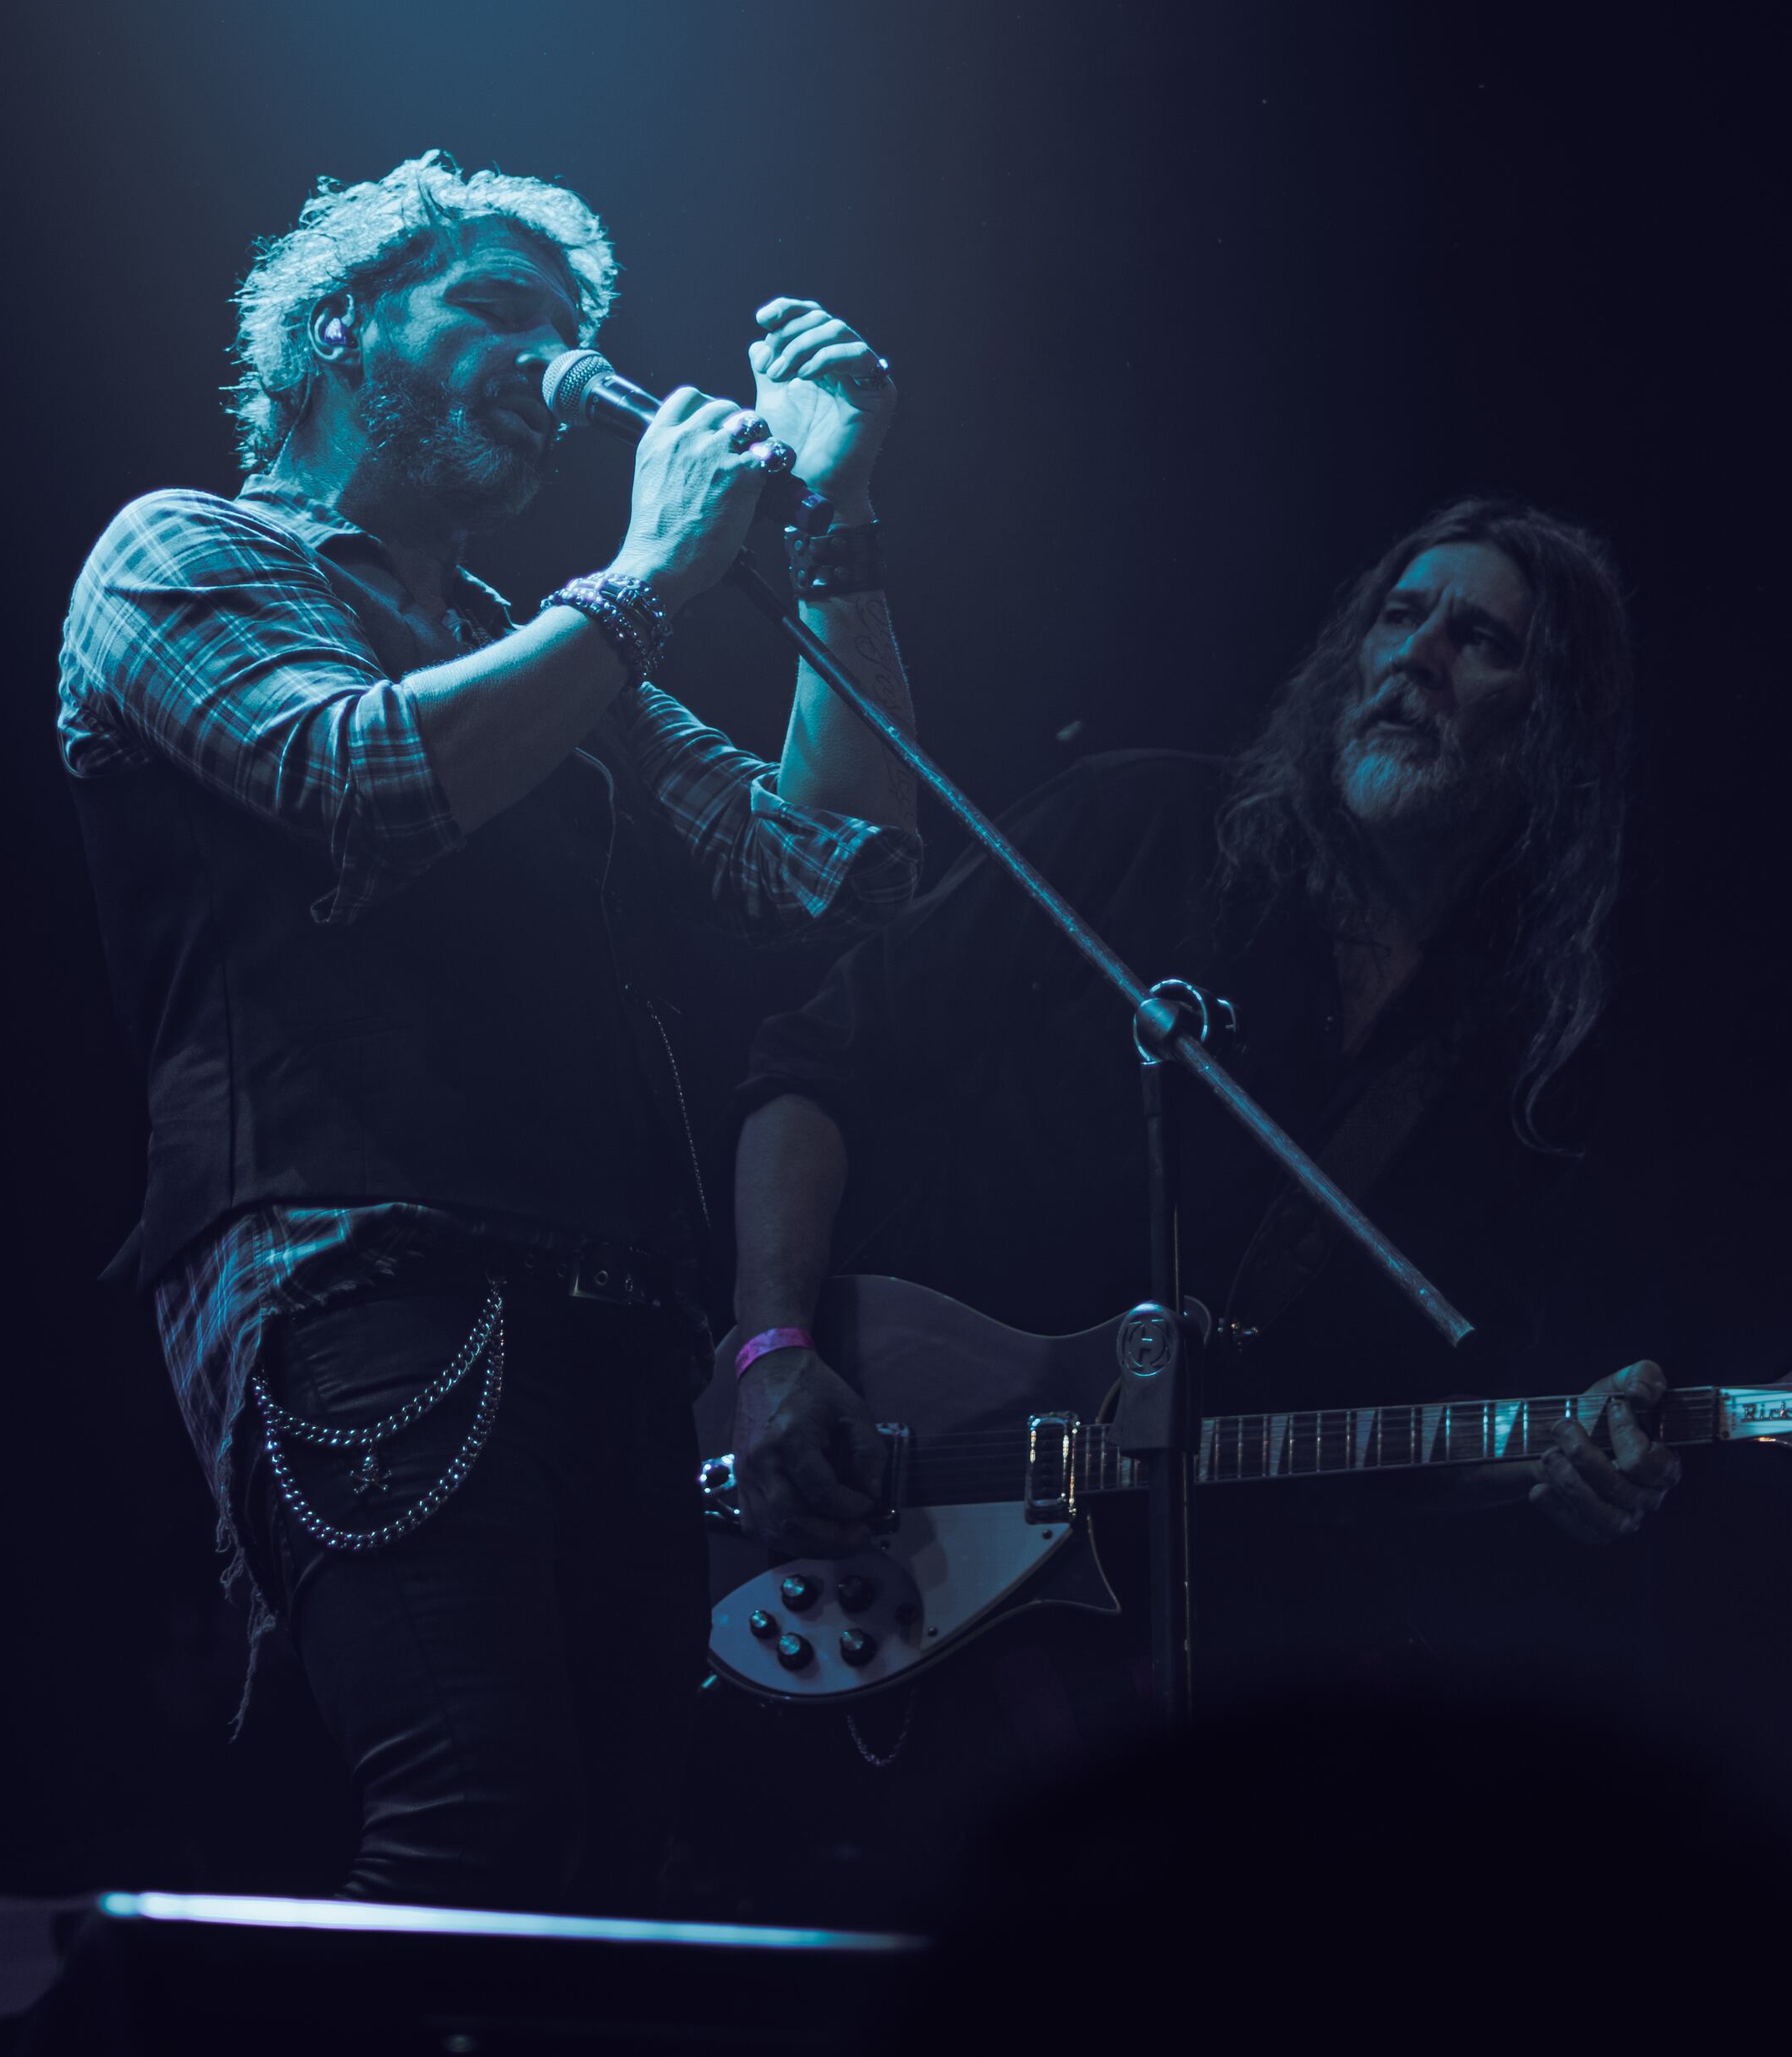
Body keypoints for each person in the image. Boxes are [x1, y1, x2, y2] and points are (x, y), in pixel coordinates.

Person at [58, 154, 923, 1906]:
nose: (557, 372)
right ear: (332, 328)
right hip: (353, 1268)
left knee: (604, 1868)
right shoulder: (186, 549)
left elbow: (831, 865)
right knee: (481, 1805)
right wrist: (654, 572)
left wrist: (829, 532)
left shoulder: (556, 650)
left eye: (576, 333)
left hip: (602, 1312)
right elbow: (357, 777)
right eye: (501, 313)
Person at [704, 501, 1663, 1908]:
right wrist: (771, 1348)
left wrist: (1554, 1458)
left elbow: (1423, 1414)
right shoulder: (1143, 827)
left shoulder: (1526, 1053)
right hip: (873, 1506)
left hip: (1185, 1643)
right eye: (1399, 618)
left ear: (1554, 724)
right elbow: (812, 1064)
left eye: (1479, 641)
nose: (1415, 662)